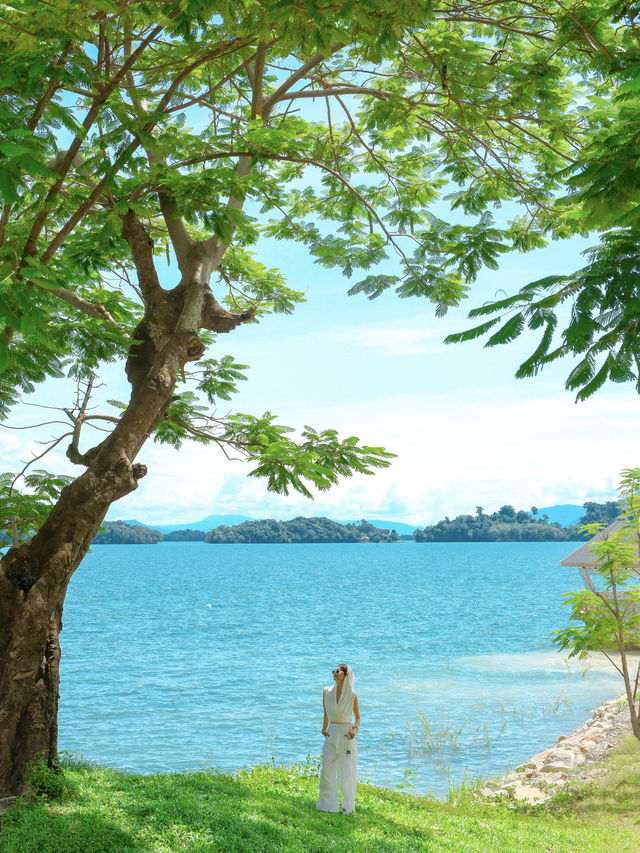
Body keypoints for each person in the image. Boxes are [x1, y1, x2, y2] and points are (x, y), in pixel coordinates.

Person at [316, 663, 360, 814]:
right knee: (327, 769)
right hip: (332, 732)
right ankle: (326, 806)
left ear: (345, 675)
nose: (334, 673)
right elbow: (326, 712)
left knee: (346, 771)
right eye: (333, 671)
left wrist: (354, 730)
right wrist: (324, 728)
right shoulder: (326, 691)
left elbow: (358, 718)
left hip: (346, 734)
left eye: (338, 671)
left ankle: (347, 807)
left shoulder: (352, 695)